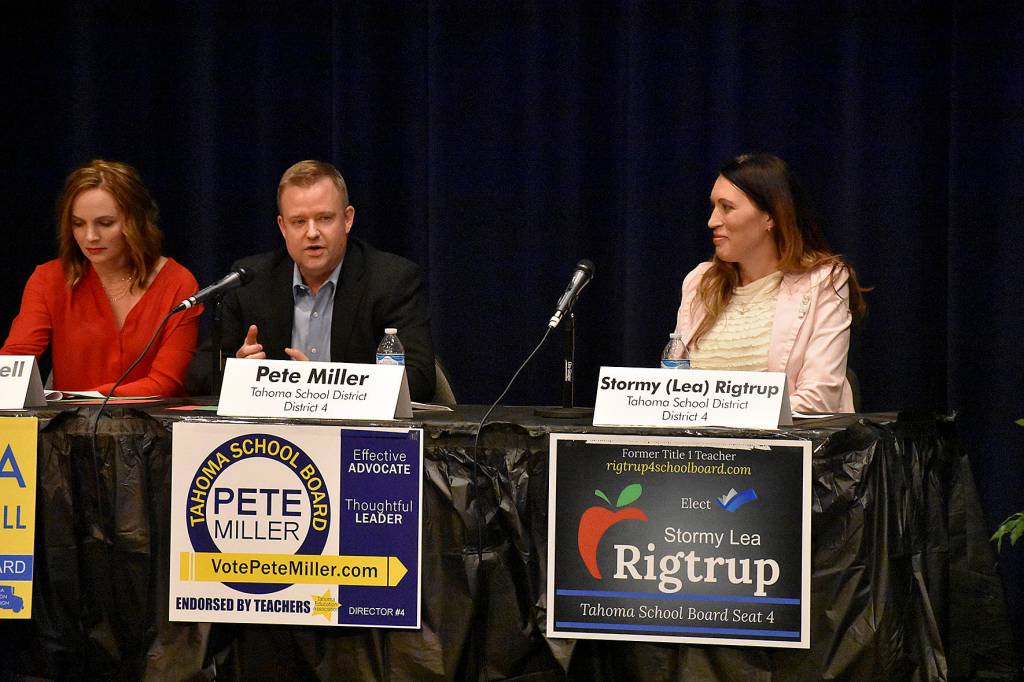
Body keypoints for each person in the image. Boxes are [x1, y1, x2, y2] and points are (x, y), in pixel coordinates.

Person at [219, 160, 436, 401]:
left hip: (358, 434)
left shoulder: (392, 280)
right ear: (282, 227)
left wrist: (319, 386)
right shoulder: (249, 280)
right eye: (299, 222)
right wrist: (239, 372)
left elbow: (419, 379)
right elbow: (202, 374)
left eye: (324, 218)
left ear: (347, 219)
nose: (312, 233)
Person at [672, 153, 867, 413]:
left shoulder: (823, 281)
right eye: (713, 207)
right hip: (703, 453)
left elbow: (819, 401)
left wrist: (723, 416)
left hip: (788, 451)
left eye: (727, 207)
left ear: (770, 216)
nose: (712, 221)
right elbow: (671, 390)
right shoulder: (699, 281)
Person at [0, 160, 201, 396]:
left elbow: (166, 383)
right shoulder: (49, 279)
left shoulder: (178, 282)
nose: (90, 236)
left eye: (105, 224)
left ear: (136, 220)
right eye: (78, 224)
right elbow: (15, 362)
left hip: (153, 426)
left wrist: (92, 398)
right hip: (68, 427)